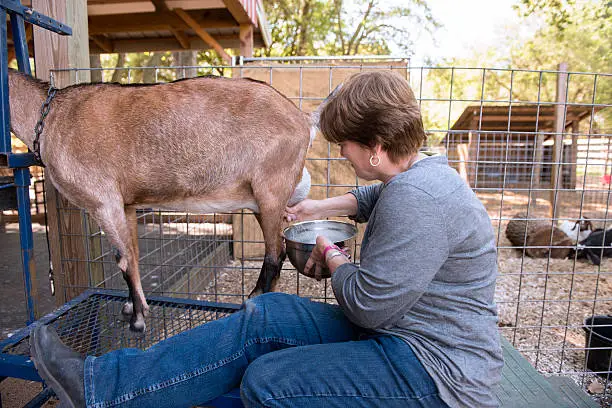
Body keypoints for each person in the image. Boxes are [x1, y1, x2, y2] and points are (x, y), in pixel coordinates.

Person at [30, 70, 503, 408]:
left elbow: (367, 304)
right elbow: (376, 196)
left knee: (269, 382)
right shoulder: (422, 174)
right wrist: (322, 208)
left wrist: (332, 255)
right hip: (399, 333)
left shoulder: (418, 199)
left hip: (437, 373)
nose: (341, 152)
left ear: (377, 149)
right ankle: (102, 388)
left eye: (347, 145)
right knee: (266, 314)